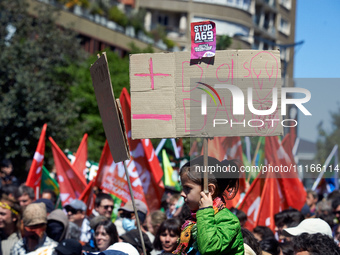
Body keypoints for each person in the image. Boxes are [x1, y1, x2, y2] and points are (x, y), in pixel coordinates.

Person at [173, 156, 244, 255]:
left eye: (187, 188)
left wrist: (206, 210)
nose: (182, 193)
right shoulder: (194, 219)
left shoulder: (229, 220)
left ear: (209, 190)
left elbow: (209, 248)